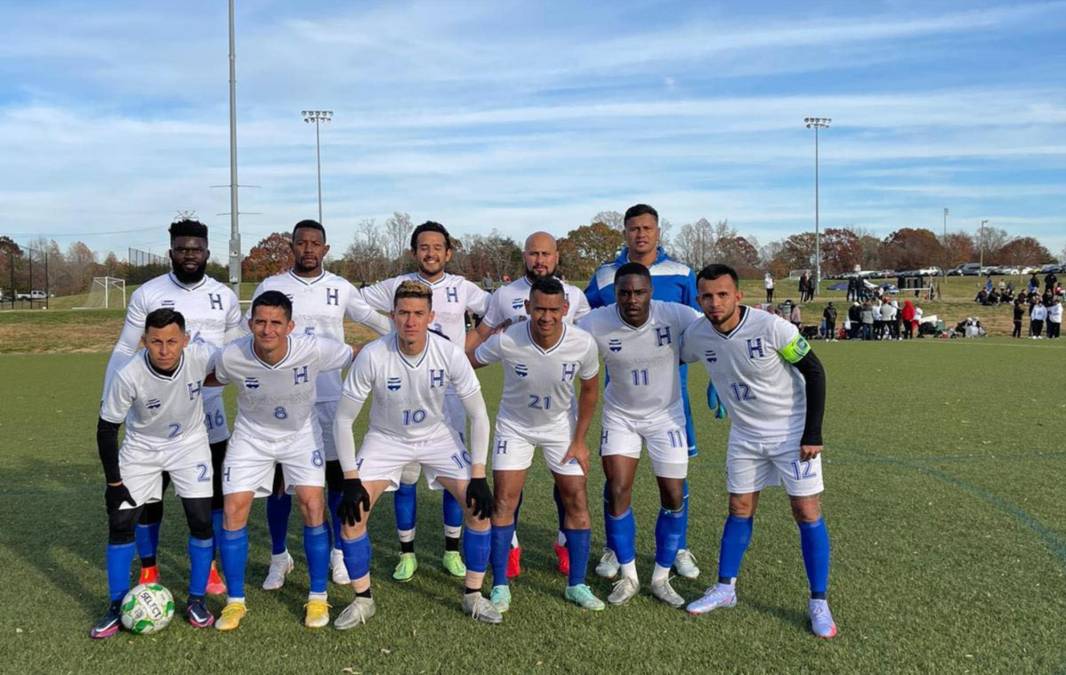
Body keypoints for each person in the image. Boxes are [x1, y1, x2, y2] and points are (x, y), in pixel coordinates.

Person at [331, 280, 499, 628]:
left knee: (479, 508)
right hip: (386, 439)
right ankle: (363, 600)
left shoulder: (449, 353)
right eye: (403, 313)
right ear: (392, 316)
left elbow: (479, 414)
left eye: (418, 313)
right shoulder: (374, 355)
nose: (410, 321)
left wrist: (479, 474)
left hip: (437, 437)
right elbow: (343, 419)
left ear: (430, 316)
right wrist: (350, 478)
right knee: (351, 514)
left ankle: (473, 595)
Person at [681, 264, 835, 639]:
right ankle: (725, 588)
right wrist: (715, 387)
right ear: (698, 299)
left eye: (722, 295)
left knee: (805, 510)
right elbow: (679, 358)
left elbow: (814, 371)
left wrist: (812, 432)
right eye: (706, 296)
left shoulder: (772, 327)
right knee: (739, 508)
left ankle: (818, 601)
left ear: (738, 295)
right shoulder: (698, 334)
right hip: (745, 435)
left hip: (790, 432)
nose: (714, 303)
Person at [247, 220, 391, 591]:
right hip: (280, 401)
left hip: (328, 398)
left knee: (335, 479)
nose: (308, 249)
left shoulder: (340, 288)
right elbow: (247, 336)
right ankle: (280, 556)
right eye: (301, 243)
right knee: (279, 483)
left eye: (315, 244)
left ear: (325, 249)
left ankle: (339, 553)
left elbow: (377, 323)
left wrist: (404, 344)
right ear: (291, 247)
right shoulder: (272, 286)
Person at [102, 218, 241, 595]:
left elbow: (233, 354)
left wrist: (222, 382)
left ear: (207, 252)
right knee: (150, 496)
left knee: (209, 496)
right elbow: (124, 348)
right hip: (154, 411)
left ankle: (209, 568)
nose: (189, 255)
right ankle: (149, 568)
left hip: (207, 414)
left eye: (196, 249)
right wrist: (110, 397)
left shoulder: (224, 297)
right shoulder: (148, 294)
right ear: (171, 253)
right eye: (182, 249)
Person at [210, 291, 359, 631]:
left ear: (290, 325)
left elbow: (356, 355)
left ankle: (318, 596)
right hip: (251, 437)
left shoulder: (314, 347)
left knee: (311, 504)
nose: (267, 330)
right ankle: (235, 603)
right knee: (234, 509)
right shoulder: (231, 356)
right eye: (260, 321)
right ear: (250, 324)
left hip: (300, 436)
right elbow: (207, 379)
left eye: (276, 322)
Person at [360, 222, 490, 581]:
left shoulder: (462, 287)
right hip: (406, 382)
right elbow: (355, 301)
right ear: (414, 252)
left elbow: (496, 311)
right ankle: (407, 553)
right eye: (423, 247)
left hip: (448, 389)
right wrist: (384, 330)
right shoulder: (395, 287)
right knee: (407, 475)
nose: (430, 253)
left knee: (453, 472)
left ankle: (452, 550)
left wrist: (475, 342)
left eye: (437, 247)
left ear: (448, 252)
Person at [470, 277, 604, 613]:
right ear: (527, 307)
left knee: (576, 498)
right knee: (504, 500)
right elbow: (470, 360)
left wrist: (580, 441)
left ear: (565, 309)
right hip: (514, 428)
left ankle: (577, 584)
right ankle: (500, 585)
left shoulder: (583, 343)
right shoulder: (507, 340)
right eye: (539, 309)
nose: (546, 316)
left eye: (553, 310)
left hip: (561, 430)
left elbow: (589, 391)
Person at [584, 203, 702, 581]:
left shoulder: (682, 273)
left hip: (671, 396)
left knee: (675, 482)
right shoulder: (604, 276)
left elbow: (706, 328)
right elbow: (582, 320)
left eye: (647, 228)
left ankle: (678, 546)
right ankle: (614, 549)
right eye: (633, 228)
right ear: (625, 232)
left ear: (658, 231)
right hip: (621, 394)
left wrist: (717, 375)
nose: (640, 234)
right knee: (617, 481)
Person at [91, 309, 219, 638]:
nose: (164, 349)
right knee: (120, 522)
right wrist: (113, 483)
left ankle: (196, 600)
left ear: (185, 340)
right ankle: (117, 606)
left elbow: (241, 361)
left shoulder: (202, 357)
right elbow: (107, 429)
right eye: (156, 341)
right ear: (144, 341)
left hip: (190, 446)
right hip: (142, 449)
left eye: (172, 341)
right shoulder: (128, 374)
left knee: (201, 520)